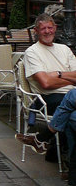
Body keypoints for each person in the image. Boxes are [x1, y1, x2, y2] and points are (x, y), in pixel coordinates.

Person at [16, 13, 76, 164]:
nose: (47, 31)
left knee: (74, 116)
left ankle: (49, 146)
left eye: (50, 27)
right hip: (48, 98)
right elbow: (46, 84)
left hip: (71, 96)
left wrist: (58, 74)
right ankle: (64, 159)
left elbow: (51, 79)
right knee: (72, 114)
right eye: (43, 29)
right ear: (36, 31)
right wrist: (69, 79)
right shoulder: (32, 52)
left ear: (55, 28)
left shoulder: (64, 49)